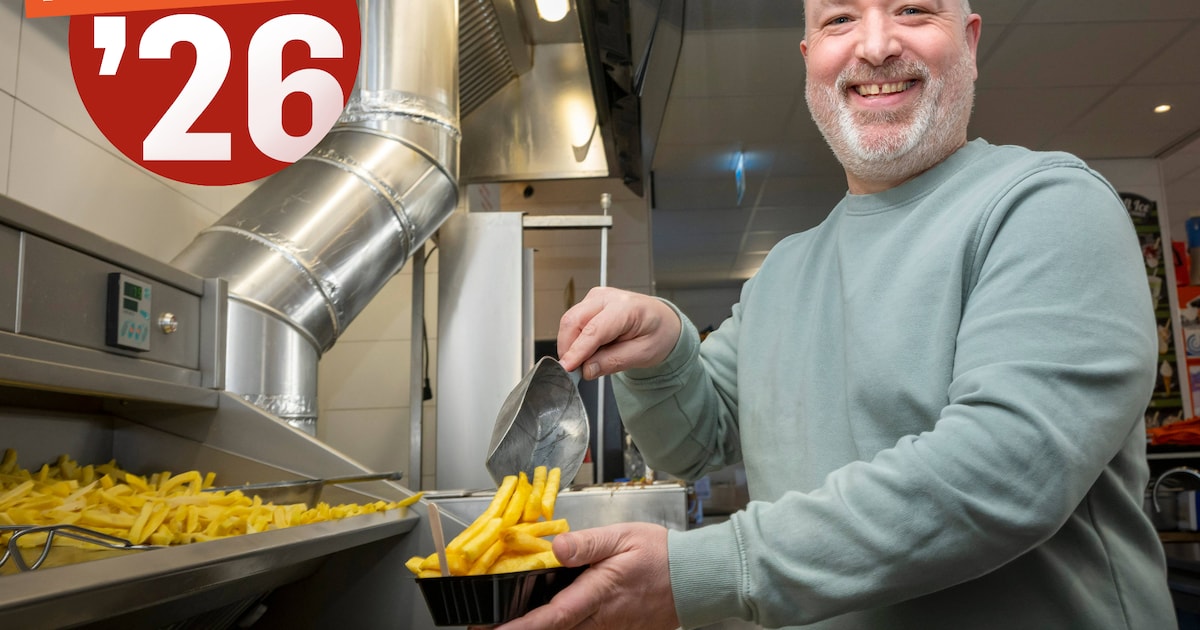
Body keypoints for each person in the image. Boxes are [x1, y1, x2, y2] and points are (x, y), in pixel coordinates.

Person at [497, 0, 1176, 628]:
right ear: (808, 58)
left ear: (968, 41)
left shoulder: (1047, 205)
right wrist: (666, 350)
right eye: (840, 19)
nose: (875, 45)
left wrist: (710, 570)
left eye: (912, 10)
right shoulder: (786, 272)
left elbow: (1005, 473)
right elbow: (694, 443)